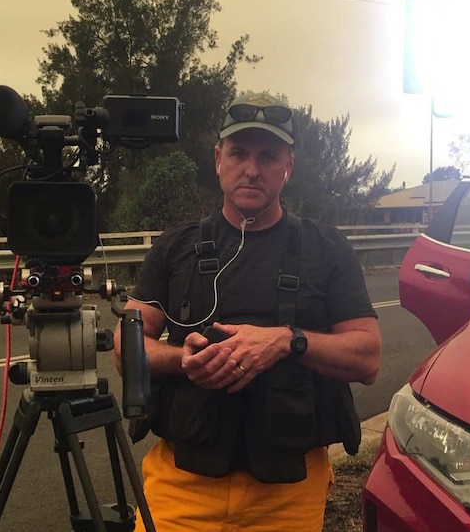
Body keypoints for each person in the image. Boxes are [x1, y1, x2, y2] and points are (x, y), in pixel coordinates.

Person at [113, 92, 382, 532]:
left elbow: (368, 357)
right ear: (218, 159)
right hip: (181, 486)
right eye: (238, 153)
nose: (252, 169)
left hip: (289, 493)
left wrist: (286, 342)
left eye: (269, 156)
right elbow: (127, 349)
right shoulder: (174, 246)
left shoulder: (326, 247)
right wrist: (182, 360)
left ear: (288, 166)